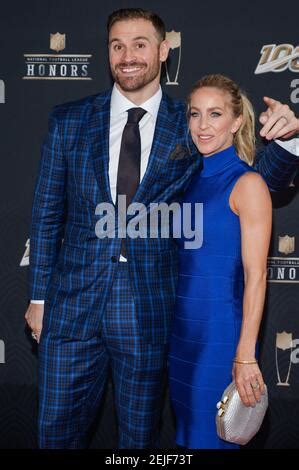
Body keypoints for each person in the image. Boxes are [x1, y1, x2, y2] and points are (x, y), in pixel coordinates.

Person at [24, 8, 299, 449]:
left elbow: (246, 179)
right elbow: (46, 213)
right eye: (117, 45)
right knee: (55, 435)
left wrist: (287, 141)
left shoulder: (188, 125)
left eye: (139, 44)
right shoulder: (69, 120)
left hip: (149, 314)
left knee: (140, 440)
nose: (127, 56)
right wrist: (38, 297)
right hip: (71, 309)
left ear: (163, 51)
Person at [168, 74, 273, 449]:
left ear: (236, 121)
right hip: (181, 337)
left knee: (212, 438)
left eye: (215, 114)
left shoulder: (248, 184)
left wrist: (245, 353)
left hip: (220, 338)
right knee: (187, 436)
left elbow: (256, 275)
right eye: (195, 115)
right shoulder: (188, 181)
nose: (202, 125)